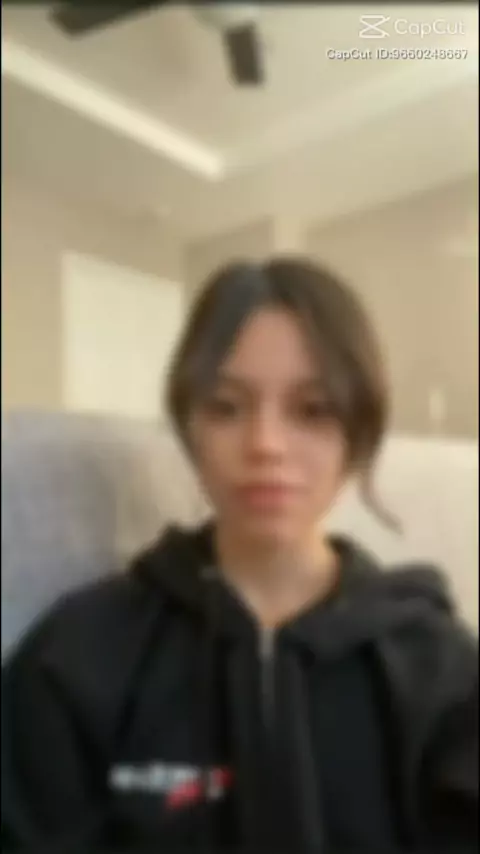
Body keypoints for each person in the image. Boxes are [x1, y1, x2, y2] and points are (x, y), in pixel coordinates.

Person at [2, 258, 478, 853]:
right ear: (190, 428)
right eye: (226, 407)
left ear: (357, 434)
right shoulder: (77, 655)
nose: (266, 444)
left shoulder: (441, 668)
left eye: (312, 410)